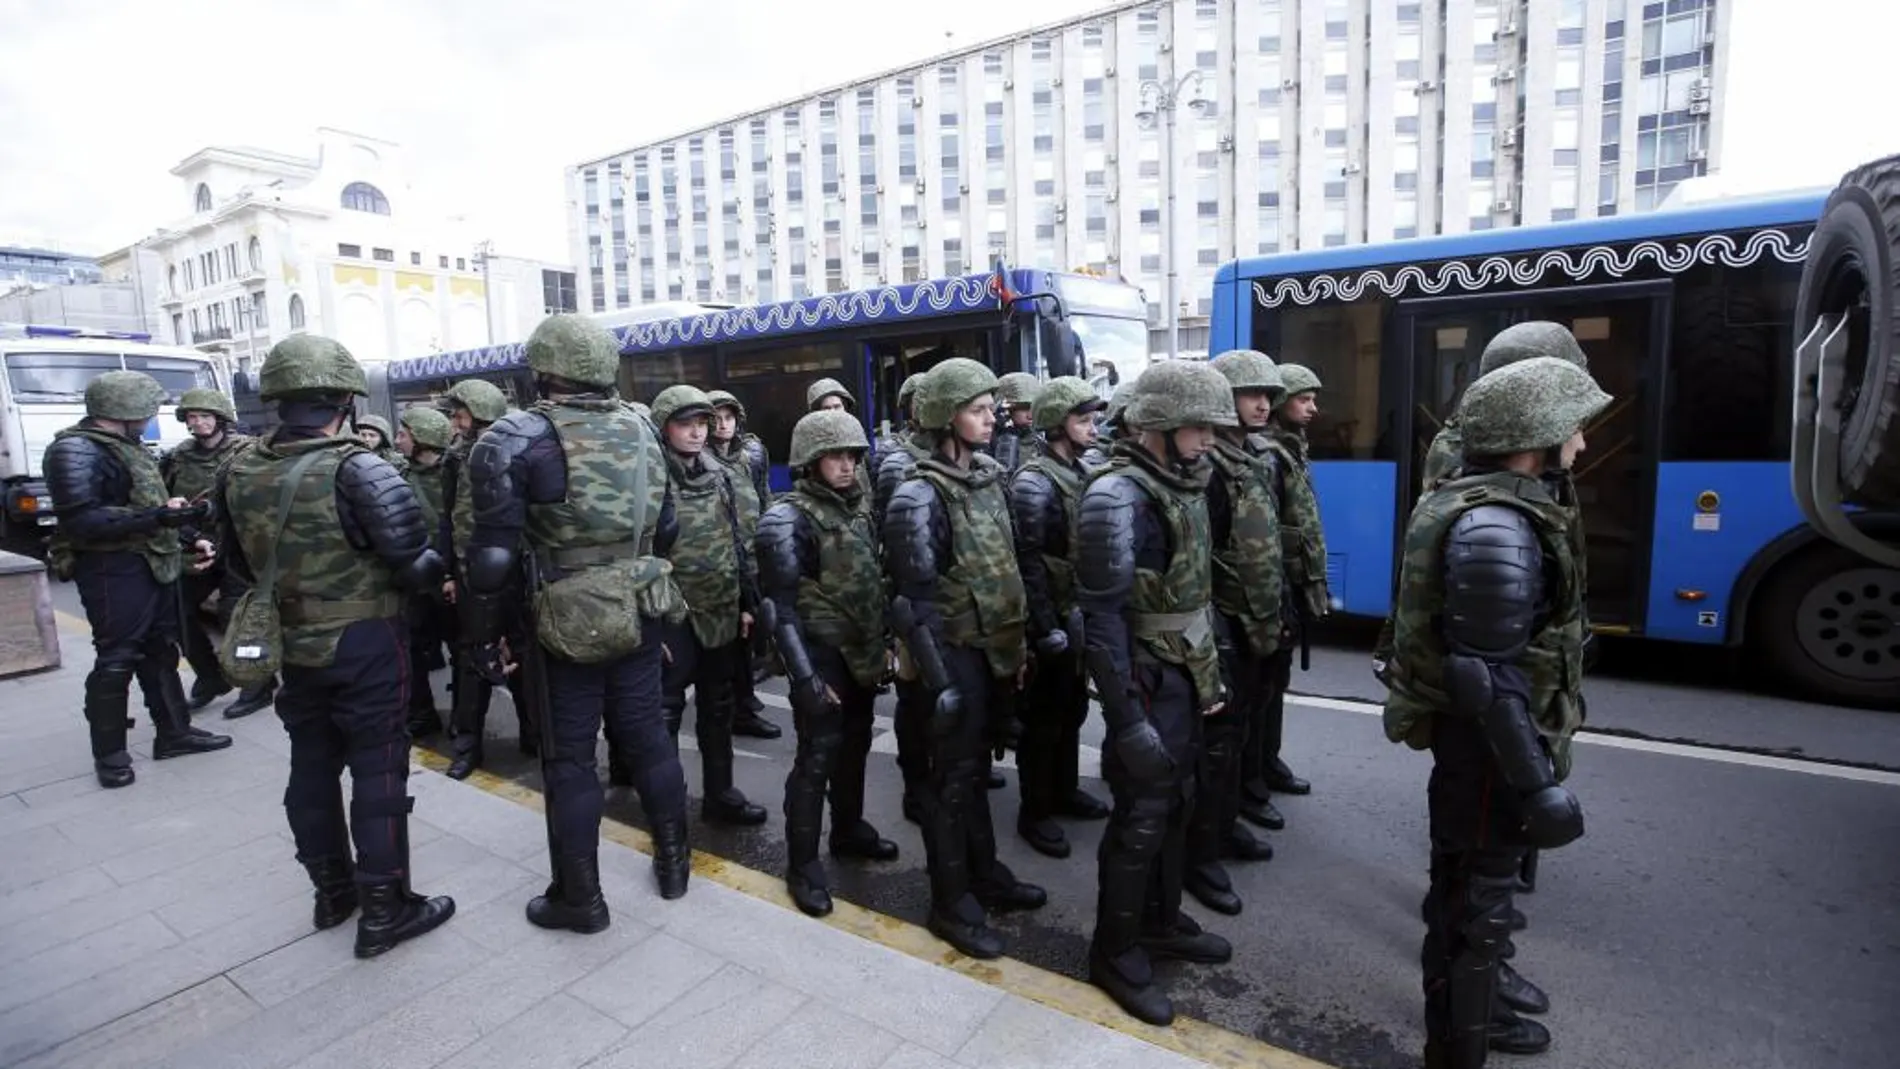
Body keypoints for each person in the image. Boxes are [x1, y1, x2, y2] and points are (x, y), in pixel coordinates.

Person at [1381, 355, 1607, 1067]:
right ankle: (1457, 1048)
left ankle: (1457, 1033)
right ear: (1535, 433)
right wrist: (1536, 783)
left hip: (1489, 746)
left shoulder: (1503, 502)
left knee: (1465, 897)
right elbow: (1482, 674)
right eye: (1574, 427)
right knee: (1475, 912)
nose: (1582, 442)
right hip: (1490, 753)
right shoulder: (1496, 525)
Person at [216, 335, 453, 958]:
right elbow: (414, 563)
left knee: (312, 765)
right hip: (366, 639)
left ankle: (332, 891)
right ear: (347, 399)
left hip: (293, 644)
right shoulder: (359, 468)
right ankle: (385, 908)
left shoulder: (238, 469)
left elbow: (237, 563)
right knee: (378, 766)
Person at [463, 314, 696, 922]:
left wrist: (483, 638)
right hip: (640, 604)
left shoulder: (516, 436)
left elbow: (491, 558)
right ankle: (674, 865)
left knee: (569, 758)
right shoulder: (645, 427)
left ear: (544, 370)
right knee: (648, 738)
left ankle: (580, 897)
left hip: (563, 617)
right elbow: (666, 527)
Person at [1075, 360, 1236, 1026]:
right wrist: (1126, 721)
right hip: (1141, 679)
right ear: (1162, 427)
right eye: (1199, 426)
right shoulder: (1117, 496)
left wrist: (1209, 675)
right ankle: (1113, 950)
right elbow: (1100, 618)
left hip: (1184, 674)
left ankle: (1161, 919)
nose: (1209, 439)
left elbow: (1197, 587)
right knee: (1140, 817)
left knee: (1177, 804)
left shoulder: (1187, 482)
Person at [884, 357, 1047, 959]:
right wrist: (939, 679)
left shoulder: (986, 478)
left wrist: (1017, 648)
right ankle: (950, 902)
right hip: (948, 660)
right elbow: (910, 602)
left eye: (990, 408)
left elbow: (1006, 569)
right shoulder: (917, 497)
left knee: (975, 773)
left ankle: (985, 877)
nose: (991, 418)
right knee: (949, 783)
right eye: (977, 410)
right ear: (942, 417)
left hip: (989, 656)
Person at [44, 371, 233, 788]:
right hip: (113, 571)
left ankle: (174, 733)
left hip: (152, 563)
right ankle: (110, 754)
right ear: (125, 409)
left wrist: (189, 535)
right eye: (146, 410)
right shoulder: (74, 450)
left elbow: (149, 505)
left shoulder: (124, 446)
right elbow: (83, 520)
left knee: (160, 652)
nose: (151, 417)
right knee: (117, 658)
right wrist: (162, 517)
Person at [756, 410, 901, 917]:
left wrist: (884, 643)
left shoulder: (859, 511)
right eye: (835, 456)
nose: (847, 465)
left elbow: (873, 582)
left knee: (856, 746)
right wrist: (804, 678)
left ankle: (848, 830)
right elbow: (779, 607)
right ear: (810, 461)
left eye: (853, 456)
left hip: (859, 653)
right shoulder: (786, 519)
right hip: (819, 656)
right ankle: (802, 864)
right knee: (817, 758)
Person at [1183, 349, 1286, 918]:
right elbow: (1199, 569)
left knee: (1238, 736)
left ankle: (1223, 829)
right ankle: (1201, 856)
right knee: (1214, 748)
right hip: (1222, 629)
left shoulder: (1254, 459)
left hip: (1254, 624)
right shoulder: (1209, 473)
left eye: (1266, 394)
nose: (1263, 403)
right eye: (1250, 394)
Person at [652, 384, 769, 828]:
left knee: (718, 709)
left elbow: (735, 541)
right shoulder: (651, 480)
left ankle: (720, 795)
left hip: (719, 609)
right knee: (665, 714)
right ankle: (666, 808)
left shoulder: (718, 475)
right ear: (665, 428)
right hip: (673, 616)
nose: (699, 432)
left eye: (702, 423)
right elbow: (642, 556)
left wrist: (744, 601)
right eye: (687, 423)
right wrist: (656, 623)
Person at [1007, 375, 1110, 860]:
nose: (1092, 428)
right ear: (1054, 425)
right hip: (1049, 619)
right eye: (1082, 420)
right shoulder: (1032, 483)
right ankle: (1036, 810)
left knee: (1073, 710)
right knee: (1043, 718)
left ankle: (1064, 790)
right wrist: (1043, 627)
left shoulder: (1083, 470)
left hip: (1077, 613)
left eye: (1093, 419)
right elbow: (1028, 563)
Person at [1242, 362, 1326, 829]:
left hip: (1286, 587)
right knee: (1257, 692)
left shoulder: (1288, 449)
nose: (1313, 408)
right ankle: (1250, 784)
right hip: (1271, 589)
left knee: (1274, 686)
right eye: (1304, 399)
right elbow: (1264, 535)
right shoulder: (1267, 454)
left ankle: (1266, 765)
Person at [161, 387, 275, 719]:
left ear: (221, 419)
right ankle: (210, 676)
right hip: (198, 547)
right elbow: (165, 505)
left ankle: (258, 685)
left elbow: (264, 501)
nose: (198, 423)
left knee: (237, 619)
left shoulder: (249, 452)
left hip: (241, 548)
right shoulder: (179, 457)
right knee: (176, 610)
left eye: (205, 416)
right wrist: (192, 533)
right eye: (192, 417)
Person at [440, 379, 533, 780]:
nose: (455, 424)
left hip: (517, 570)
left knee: (526, 658)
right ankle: (467, 746)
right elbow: (447, 519)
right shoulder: (453, 459)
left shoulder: (520, 448)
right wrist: (449, 572)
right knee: (471, 662)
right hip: (472, 575)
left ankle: (536, 735)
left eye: (460, 415)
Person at [706, 388, 782, 741]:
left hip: (752, 557)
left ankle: (744, 697)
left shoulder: (750, 455)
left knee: (753, 633)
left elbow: (763, 495)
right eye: (716, 418)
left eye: (729, 418)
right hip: (724, 562)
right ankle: (740, 707)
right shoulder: (701, 462)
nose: (723, 425)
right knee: (734, 639)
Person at [397, 406, 455, 739]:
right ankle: (422, 713)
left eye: (404, 434)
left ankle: (465, 720)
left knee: (464, 653)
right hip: (418, 582)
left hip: (451, 580)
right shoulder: (402, 476)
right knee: (414, 650)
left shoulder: (457, 472)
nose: (398, 441)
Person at [989, 371, 1044, 474]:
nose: (1030, 415)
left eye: (1034, 408)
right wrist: (1006, 436)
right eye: (1024, 408)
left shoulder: (1041, 440)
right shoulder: (985, 442)